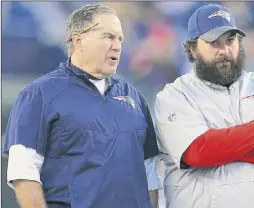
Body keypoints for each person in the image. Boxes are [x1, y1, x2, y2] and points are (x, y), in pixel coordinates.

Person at [154, 4, 254, 208]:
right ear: (192, 49)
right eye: (214, 42)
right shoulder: (174, 96)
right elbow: (198, 152)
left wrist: (221, 145)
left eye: (230, 40)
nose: (224, 50)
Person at [3, 4, 162, 208]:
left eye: (120, 39)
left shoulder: (134, 97)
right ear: (79, 40)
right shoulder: (38, 94)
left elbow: (149, 171)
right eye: (108, 37)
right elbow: (23, 172)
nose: (117, 46)